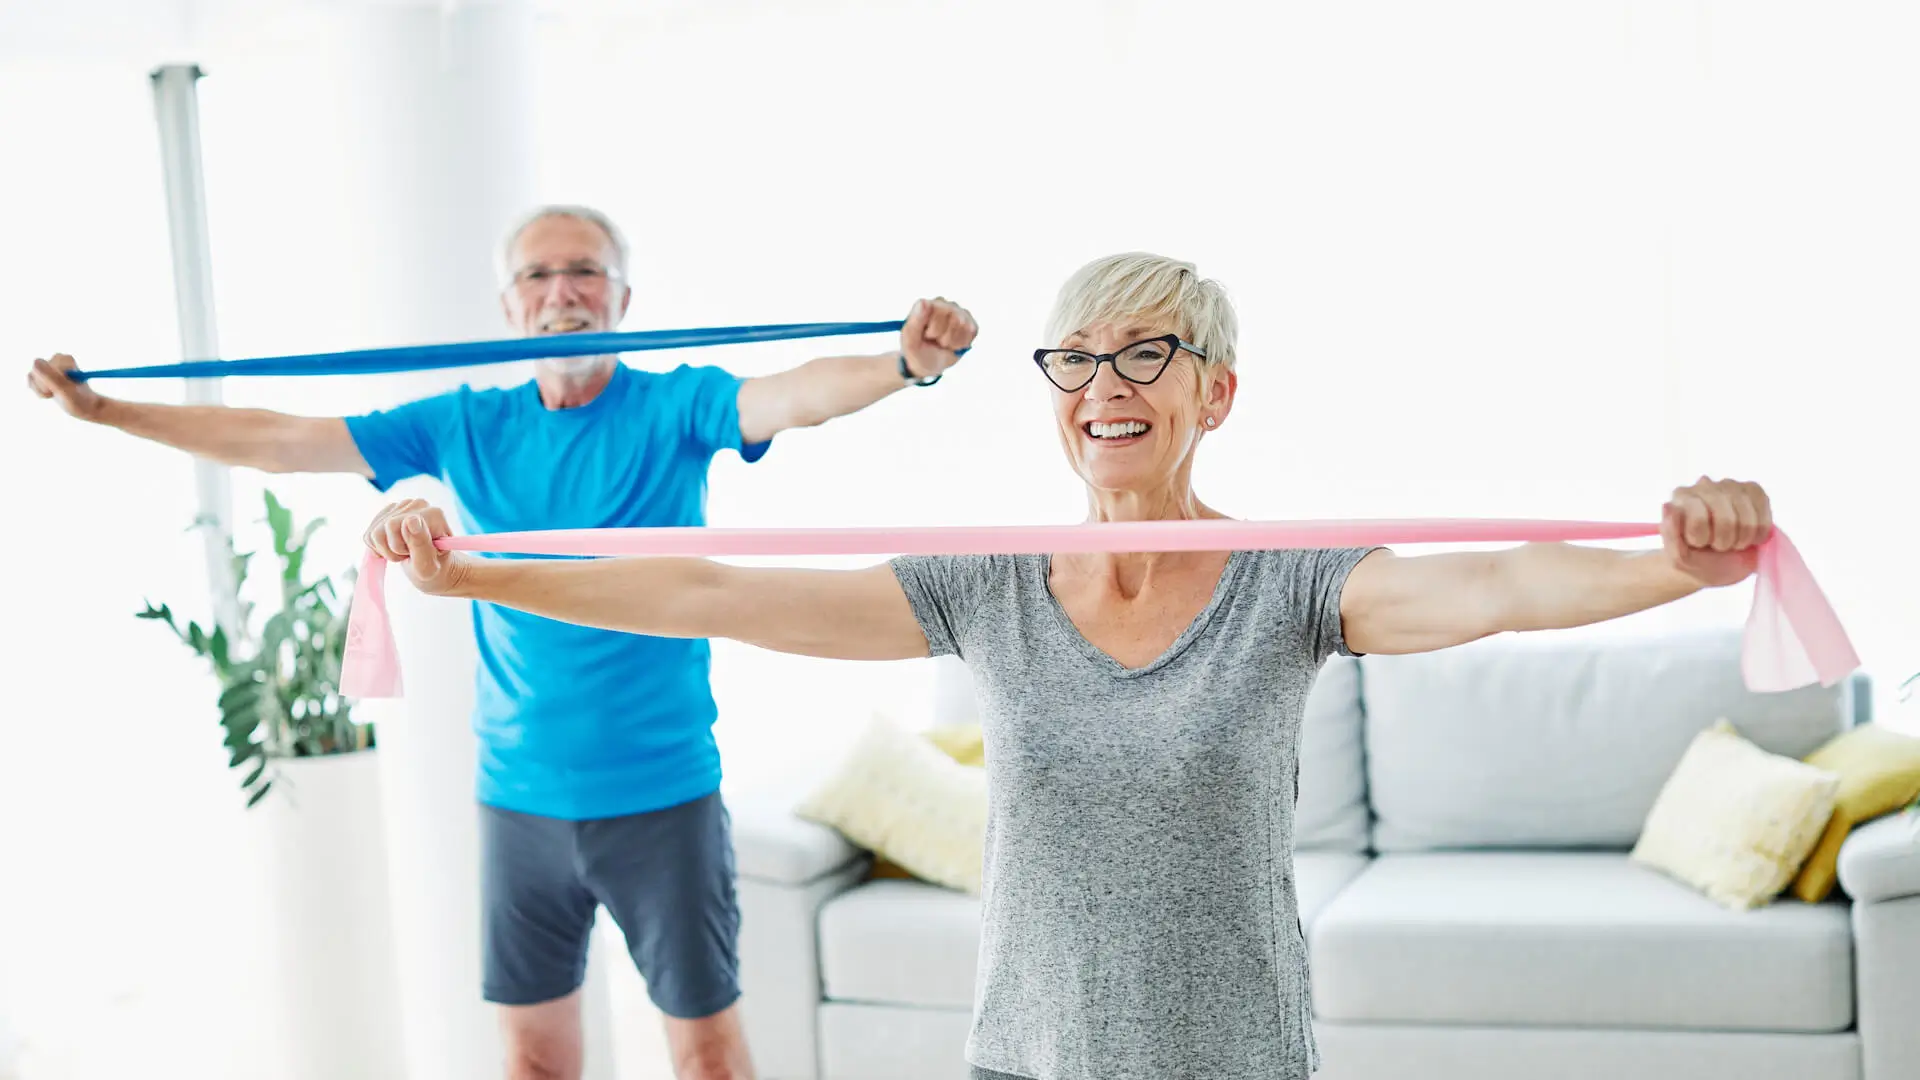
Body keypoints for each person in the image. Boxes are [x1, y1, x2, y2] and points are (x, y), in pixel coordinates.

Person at [357, 251, 1774, 1080]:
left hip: (1236, 1057)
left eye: (1148, 355)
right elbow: (722, 590)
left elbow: (1505, 583)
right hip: (1025, 1058)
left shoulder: (1289, 579)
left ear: (1216, 392)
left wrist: (1682, 561)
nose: (1106, 387)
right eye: (1077, 359)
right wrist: (473, 568)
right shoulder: (987, 583)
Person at [26, 204, 977, 1080]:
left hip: (663, 799)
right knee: (530, 1063)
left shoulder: (673, 405)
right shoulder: (468, 423)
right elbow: (281, 437)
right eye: (537, 276)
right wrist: (108, 412)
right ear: (509, 305)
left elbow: (792, 394)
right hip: (517, 805)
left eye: (584, 271)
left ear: (623, 298)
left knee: (710, 1062)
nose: (562, 291)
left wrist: (904, 366)